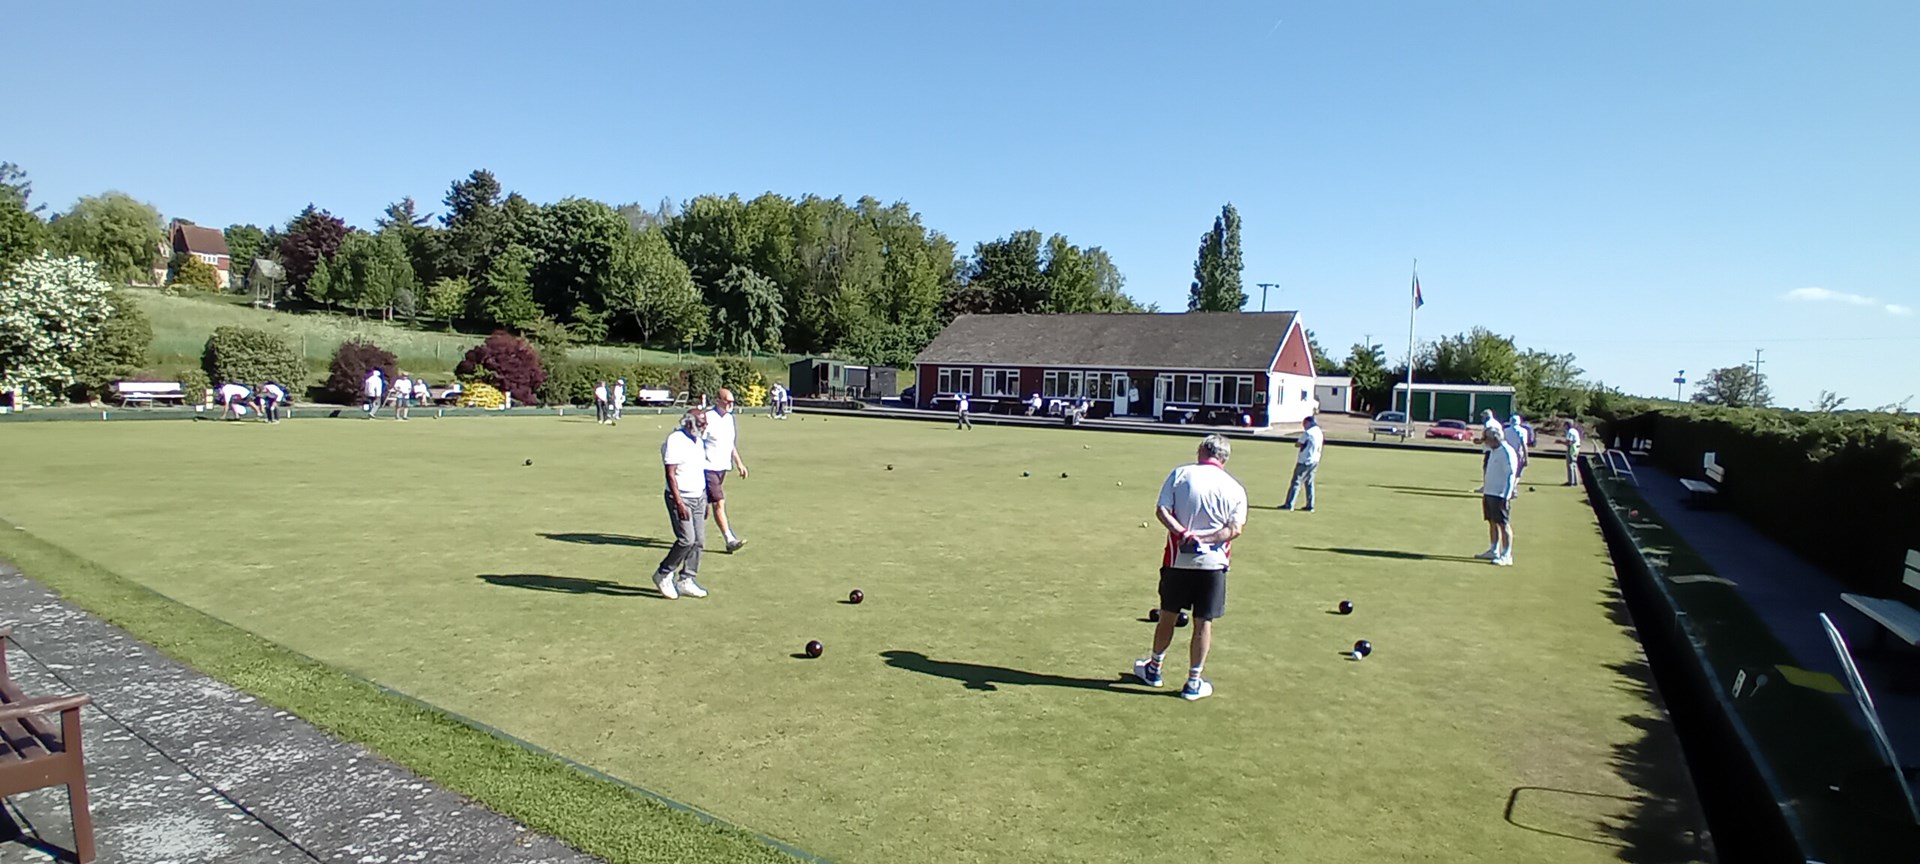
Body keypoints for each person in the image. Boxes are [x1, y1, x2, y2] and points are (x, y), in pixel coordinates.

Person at [1134, 434, 1248, 702]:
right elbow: (1234, 530)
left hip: (1177, 561)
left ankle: (1154, 669)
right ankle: (1193, 681)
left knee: (1168, 615)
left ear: (1201, 451)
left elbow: (1163, 510)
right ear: (1225, 458)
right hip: (1214, 565)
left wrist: (1185, 534)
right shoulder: (1235, 488)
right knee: (1202, 622)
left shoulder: (1180, 474)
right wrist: (1206, 540)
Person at [653, 409, 711, 599]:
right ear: (689, 423)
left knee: (699, 541)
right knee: (687, 539)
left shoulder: (699, 441)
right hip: (681, 497)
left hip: (699, 497)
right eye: (701, 423)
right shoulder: (675, 440)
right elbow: (670, 473)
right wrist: (678, 502)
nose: (705, 426)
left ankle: (686, 579)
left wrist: (706, 499)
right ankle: (663, 573)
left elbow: (699, 471)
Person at [703, 388, 750, 552]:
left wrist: (739, 463)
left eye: (732, 401)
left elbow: (730, 444)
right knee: (719, 502)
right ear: (718, 400)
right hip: (708, 467)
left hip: (723, 468)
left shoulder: (730, 419)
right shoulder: (708, 418)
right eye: (727, 401)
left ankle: (694, 531)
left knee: (705, 506)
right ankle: (729, 539)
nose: (730, 404)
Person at [1478, 427, 1519, 566]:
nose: (1486, 443)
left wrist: (1506, 496)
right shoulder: (1493, 450)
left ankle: (1507, 554)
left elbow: (1511, 475)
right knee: (1491, 522)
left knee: (1503, 524)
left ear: (1494, 439)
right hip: (1489, 492)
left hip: (1500, 494)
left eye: (1487, 440)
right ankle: (1494, 549)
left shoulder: (1507, 452)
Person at [1281, 415, 1324, 512]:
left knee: (1296, 482)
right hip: (1315, 460)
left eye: (1304, 424)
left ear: (1309, 423)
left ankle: (1290, 504)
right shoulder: (1319, 432)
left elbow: (1298, 444)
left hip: (1305, 461)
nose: (1304, 426)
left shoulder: (1308, 433)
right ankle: (1310, 505)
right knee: (1309, 483)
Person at [1504, 414, 1531, 478]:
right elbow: (1524, 445)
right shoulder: (1523, 431)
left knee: (1509, 472)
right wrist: (1526, 458)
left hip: (1507, 453)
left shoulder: (1505, 430)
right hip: (1518, 453)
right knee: (1517, 473)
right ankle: (1513, 486)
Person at [1563, 421, 1583, 487]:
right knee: (1573, 465)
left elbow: (1569, 442)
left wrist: (1560, 442)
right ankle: (1575, 481)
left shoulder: (1570, 431)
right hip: (1576, 448)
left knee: (1570, 465)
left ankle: (1571, 482)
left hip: (1572, 449)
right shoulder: (1575, 430)